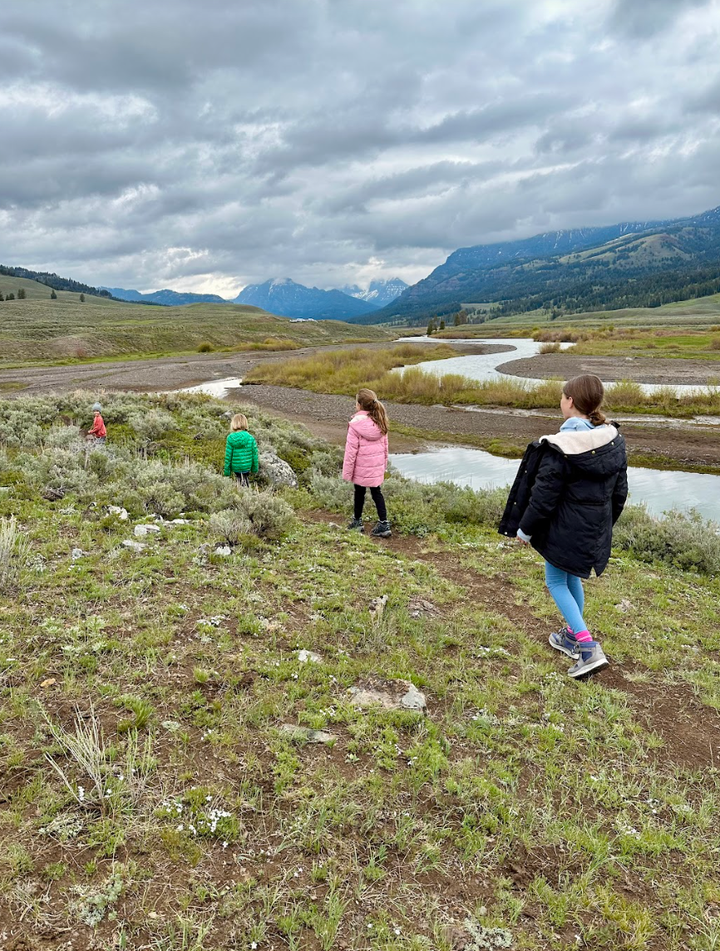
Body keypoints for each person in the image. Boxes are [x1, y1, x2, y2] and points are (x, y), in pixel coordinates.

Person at [498, 374, 628, 677]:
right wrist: (603, 525)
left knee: (556, 582)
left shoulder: (561, 446)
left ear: (570, 402)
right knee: (571, 580)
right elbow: (619, 493)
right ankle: (571, 635)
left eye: (562, 396)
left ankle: (586, 647)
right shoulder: (612, 441)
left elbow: (543, 498)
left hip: (564, 530)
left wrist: (525, 530)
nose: (561, 401)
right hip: (591, 529)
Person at [342, 388, 391, 537]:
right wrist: (383, 466)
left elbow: (351, 451)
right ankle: (384, 524)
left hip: (360, 469)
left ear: (359, 405)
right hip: (376, 467)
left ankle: (357, 522)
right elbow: (385, 448)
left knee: (359, 492)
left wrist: (347, 473)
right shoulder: (381, 421)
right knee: (377, 492)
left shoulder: (355, 425)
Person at [223, 413, 259, 486]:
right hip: (247, 467)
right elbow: (255, 455)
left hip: (236, 467)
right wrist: (254, 469)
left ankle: (239, 492)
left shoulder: (230, 438)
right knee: (245, 481)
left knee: (238, 481)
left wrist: (227, 472)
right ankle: (247, 493)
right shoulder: (250, 438)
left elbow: (228, 456)